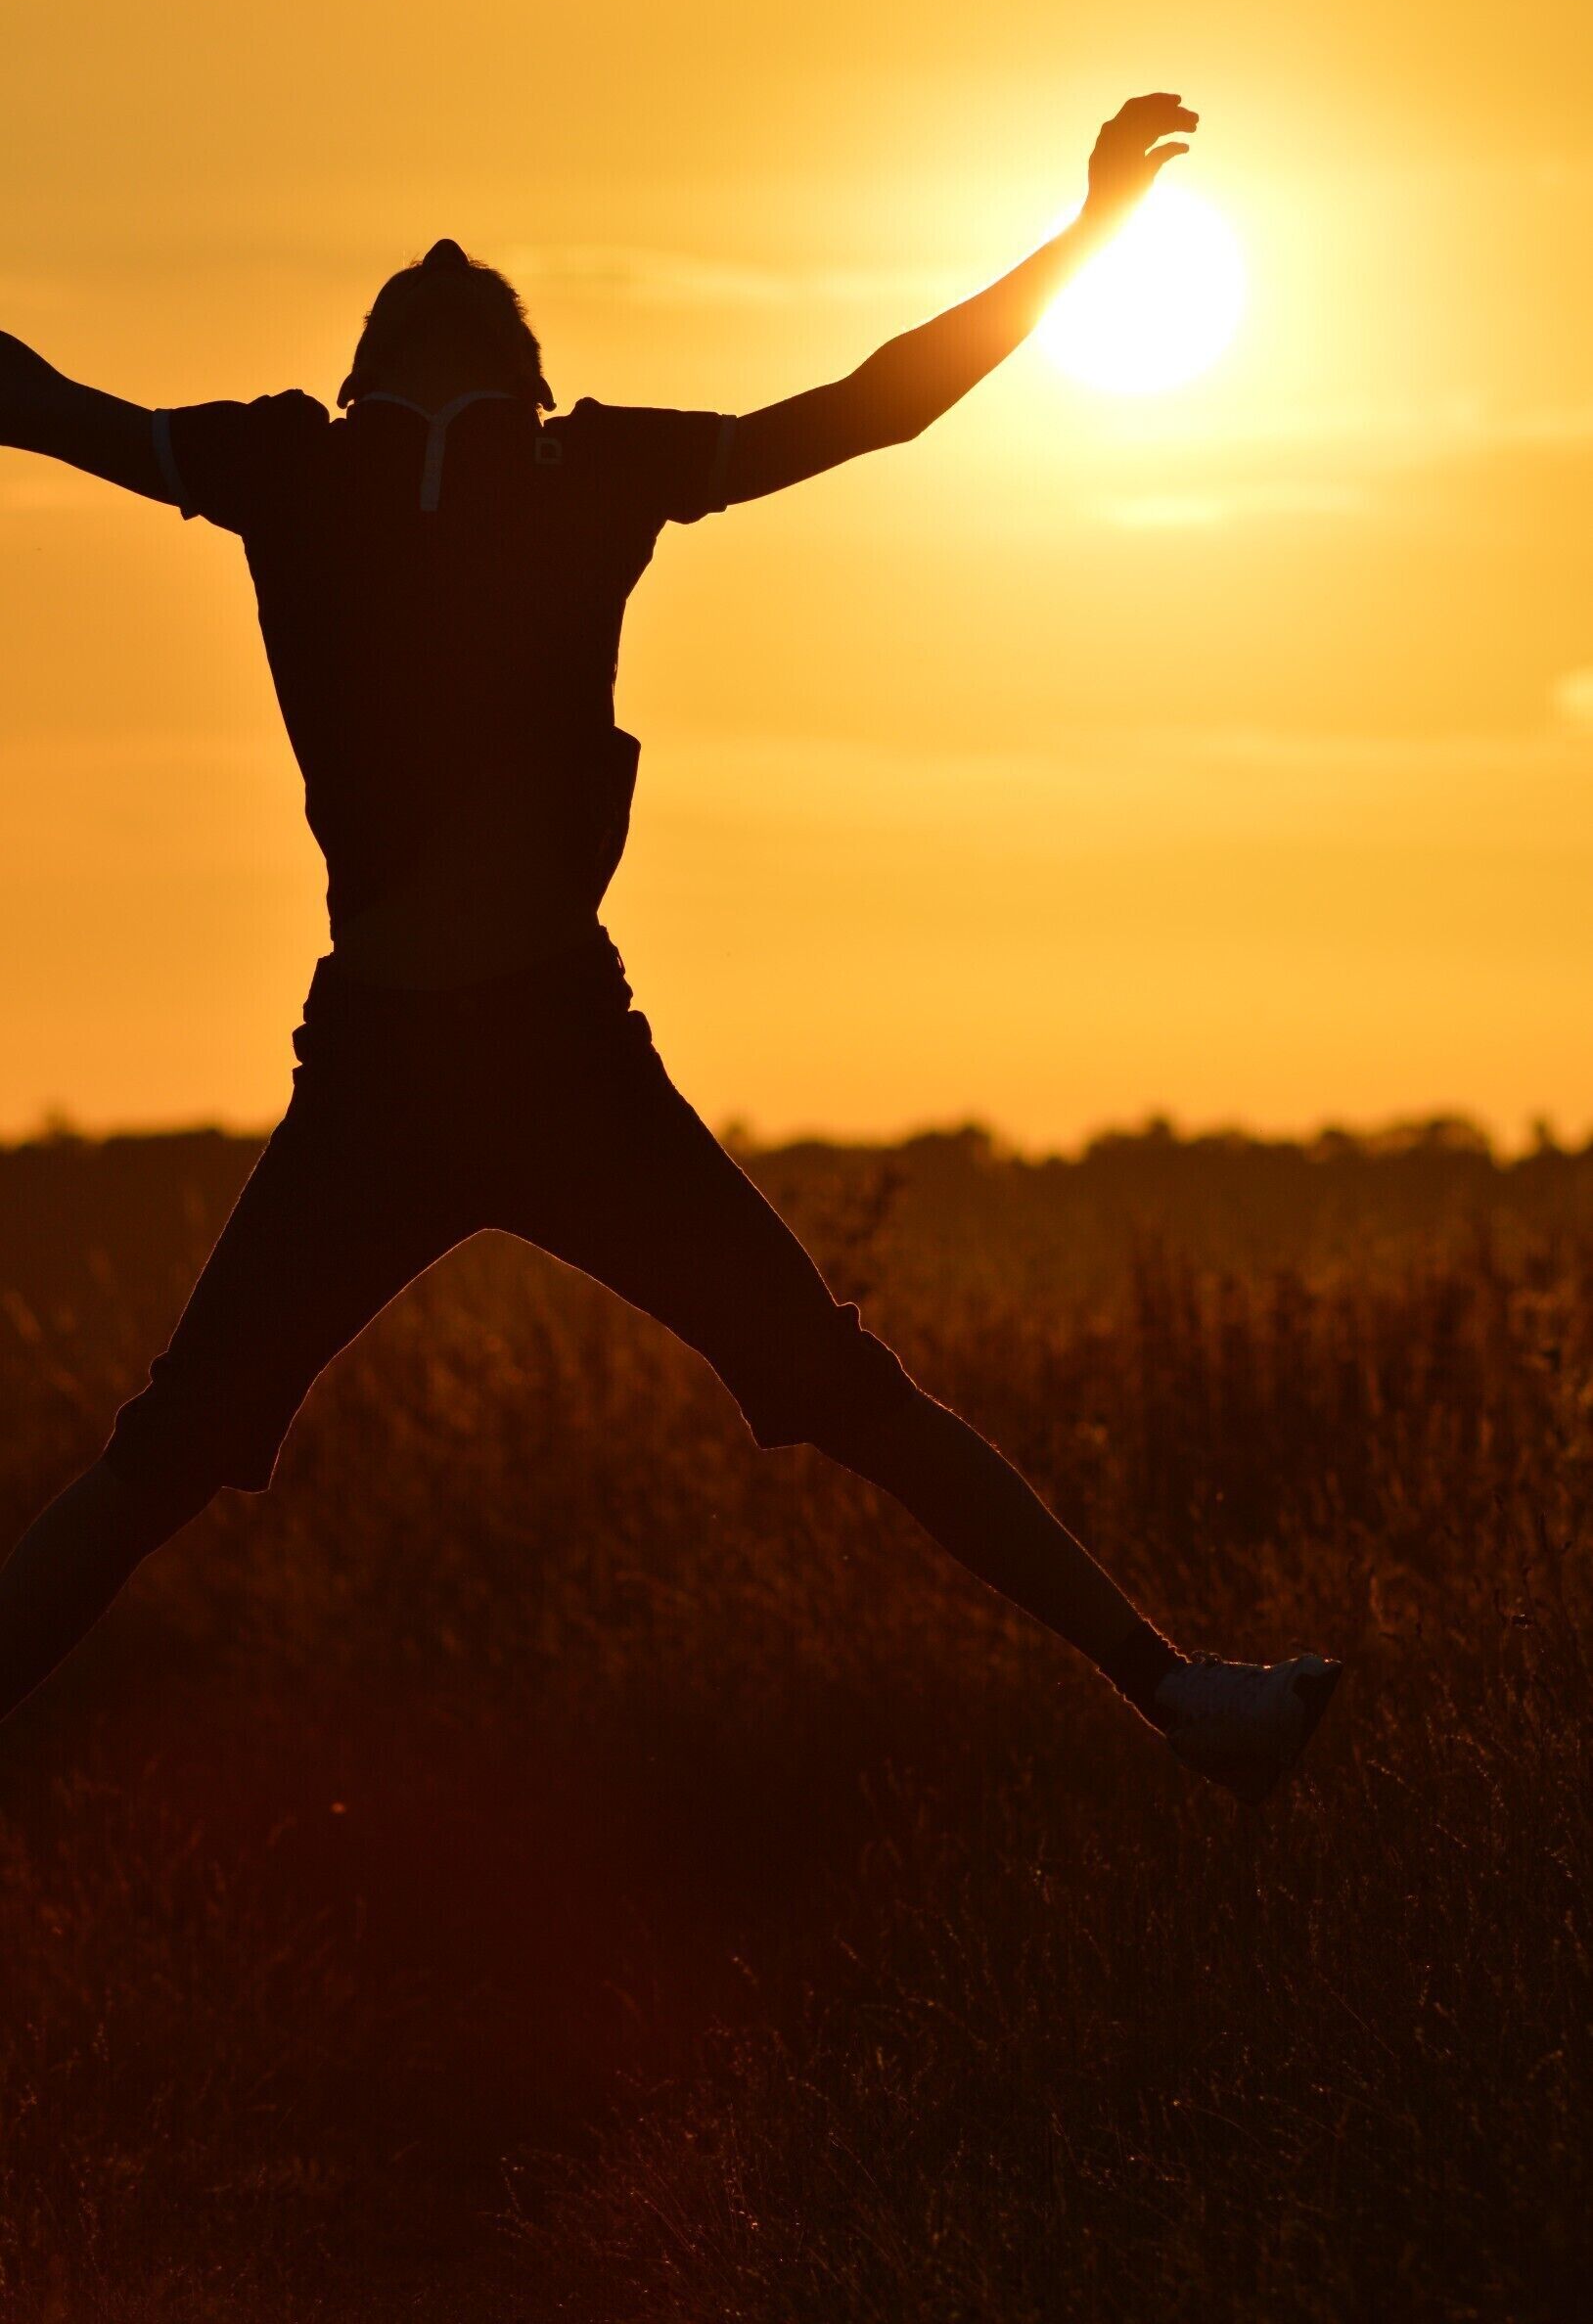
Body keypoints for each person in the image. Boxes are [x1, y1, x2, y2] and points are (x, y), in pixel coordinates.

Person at [0, 95, 1337, 1802]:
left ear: (363, 377)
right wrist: (1083, 246)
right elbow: (875, 407)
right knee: (851, 1393)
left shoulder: (287, 464)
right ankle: (1177, 1696)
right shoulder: (587, 462)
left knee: (160, 1459)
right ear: (530, 380)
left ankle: (1182, 1697)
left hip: (395, 1064)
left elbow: (36, 402)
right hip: (557, 1054)